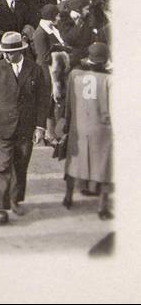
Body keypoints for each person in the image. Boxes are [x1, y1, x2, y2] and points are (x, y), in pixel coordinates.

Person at [0, 30, 51, 224]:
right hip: (2, 127)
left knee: (21, 166)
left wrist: (40, 127)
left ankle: (15, 200)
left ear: (20, 51)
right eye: (3, 52)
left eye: (10, 52)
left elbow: (42, 100)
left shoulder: (35, 70)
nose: (6, 55)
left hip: (25, 127)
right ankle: (1, 208)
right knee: (2, 167)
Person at [62, 43, 112, 218]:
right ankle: (102, 207)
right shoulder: (110, 79)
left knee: (74, 162)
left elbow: (68, 104)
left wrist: (67, 124)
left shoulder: (74, 75)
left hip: (79, 126)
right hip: (103, 129)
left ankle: (68, 197)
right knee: (105, 166)